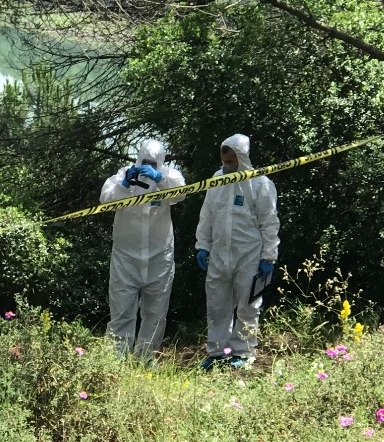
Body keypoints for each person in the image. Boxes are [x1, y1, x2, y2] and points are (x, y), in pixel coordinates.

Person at [195, 134, 279, 370]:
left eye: (231, 160)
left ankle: (243, 352)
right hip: (219, 253)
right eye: (224, 160)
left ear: (241, 157)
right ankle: (217, 351)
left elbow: (269, 222)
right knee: (217, 305)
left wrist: (269, 256)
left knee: (248, 305)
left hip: (250, 255)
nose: (226, 164)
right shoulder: (217, 180)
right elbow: (207, 214)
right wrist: (202, 244)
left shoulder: (260, 183)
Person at [100, 139, 186, 360]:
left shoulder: (169, 176)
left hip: (159, 257)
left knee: (156, 312)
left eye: (153, 163)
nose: (148, 166)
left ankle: (146, 358)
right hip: (125, 258)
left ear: (161, 162)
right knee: (121, 311)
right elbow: (105, 200)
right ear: (138, 158)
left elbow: (181, 192)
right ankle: (116, 360)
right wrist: (124, 185)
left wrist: (159, 179)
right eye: (145, 161)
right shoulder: (122, 175)